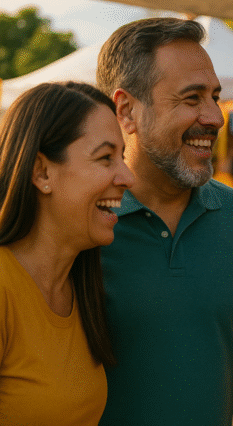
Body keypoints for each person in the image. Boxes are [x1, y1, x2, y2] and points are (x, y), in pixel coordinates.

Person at [95, 17, 233, 426]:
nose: (215, 117)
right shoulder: (86, 222)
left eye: (215, 96)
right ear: (127, 111)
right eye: (192, 99)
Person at [0, 82, 134, 424]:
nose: (127, 176)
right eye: (106, 158)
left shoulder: (80, 285)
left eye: (123, 156)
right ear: (42, 171)